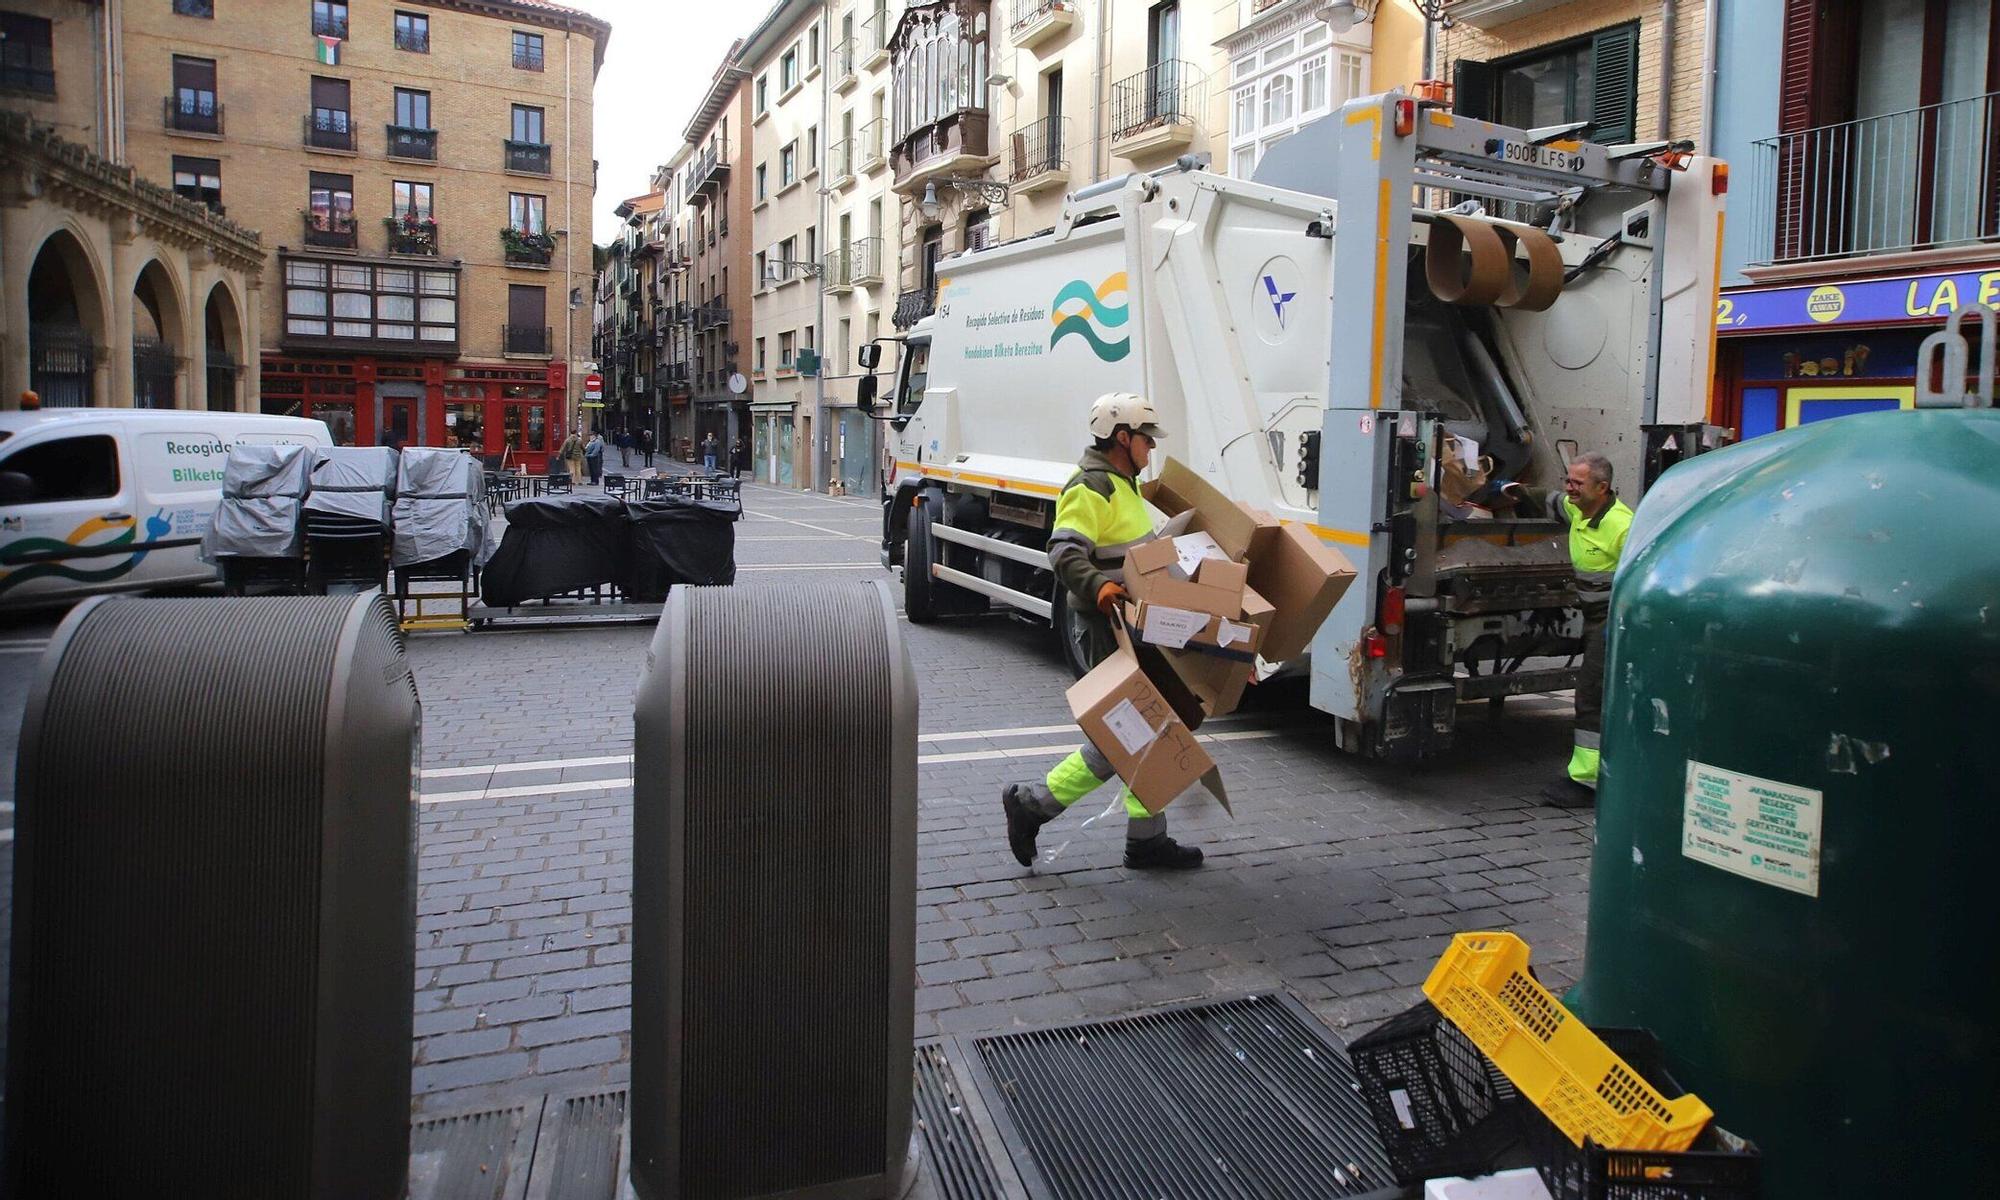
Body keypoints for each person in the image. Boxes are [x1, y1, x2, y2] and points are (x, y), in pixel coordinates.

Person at [1000, 393, 1204, 871]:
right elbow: (1063, 550)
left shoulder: (1124, 485)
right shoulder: (1092, 487)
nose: (1150, 450)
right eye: (1146, 441)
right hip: (1105, 624)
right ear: (1122, 438)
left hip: (1132, 625)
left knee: (1147, 728)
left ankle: (1147, 839)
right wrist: (1100, 588)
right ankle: (1031, 805)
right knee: (1122, 736)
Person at [1501, 452, 1634, 808]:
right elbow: (1550, 500)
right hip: (1597, 618)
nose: (1569, 488)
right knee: (1605, 696)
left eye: (1577, 482)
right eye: (1568, 480)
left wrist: (1618, 626)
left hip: (1615, 621)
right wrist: (1512, 489)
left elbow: (1642, 580)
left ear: (1601, 488)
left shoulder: (1622, 527)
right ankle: (1613, 771)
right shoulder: (1579, 509)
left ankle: (1586, 782)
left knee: (1590, 696)